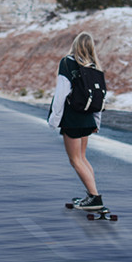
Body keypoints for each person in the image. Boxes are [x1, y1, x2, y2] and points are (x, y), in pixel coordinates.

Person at [47, 32, 104, 210]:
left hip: (72, 118)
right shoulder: (94, 66)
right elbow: (100, 98)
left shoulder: (67, 62)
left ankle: (95, 197)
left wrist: (54, 119)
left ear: (75, 44)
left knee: (75, 160)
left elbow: (61, 93)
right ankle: (91, 195)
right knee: (82, 158)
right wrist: (96, 122)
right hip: (87, 118)